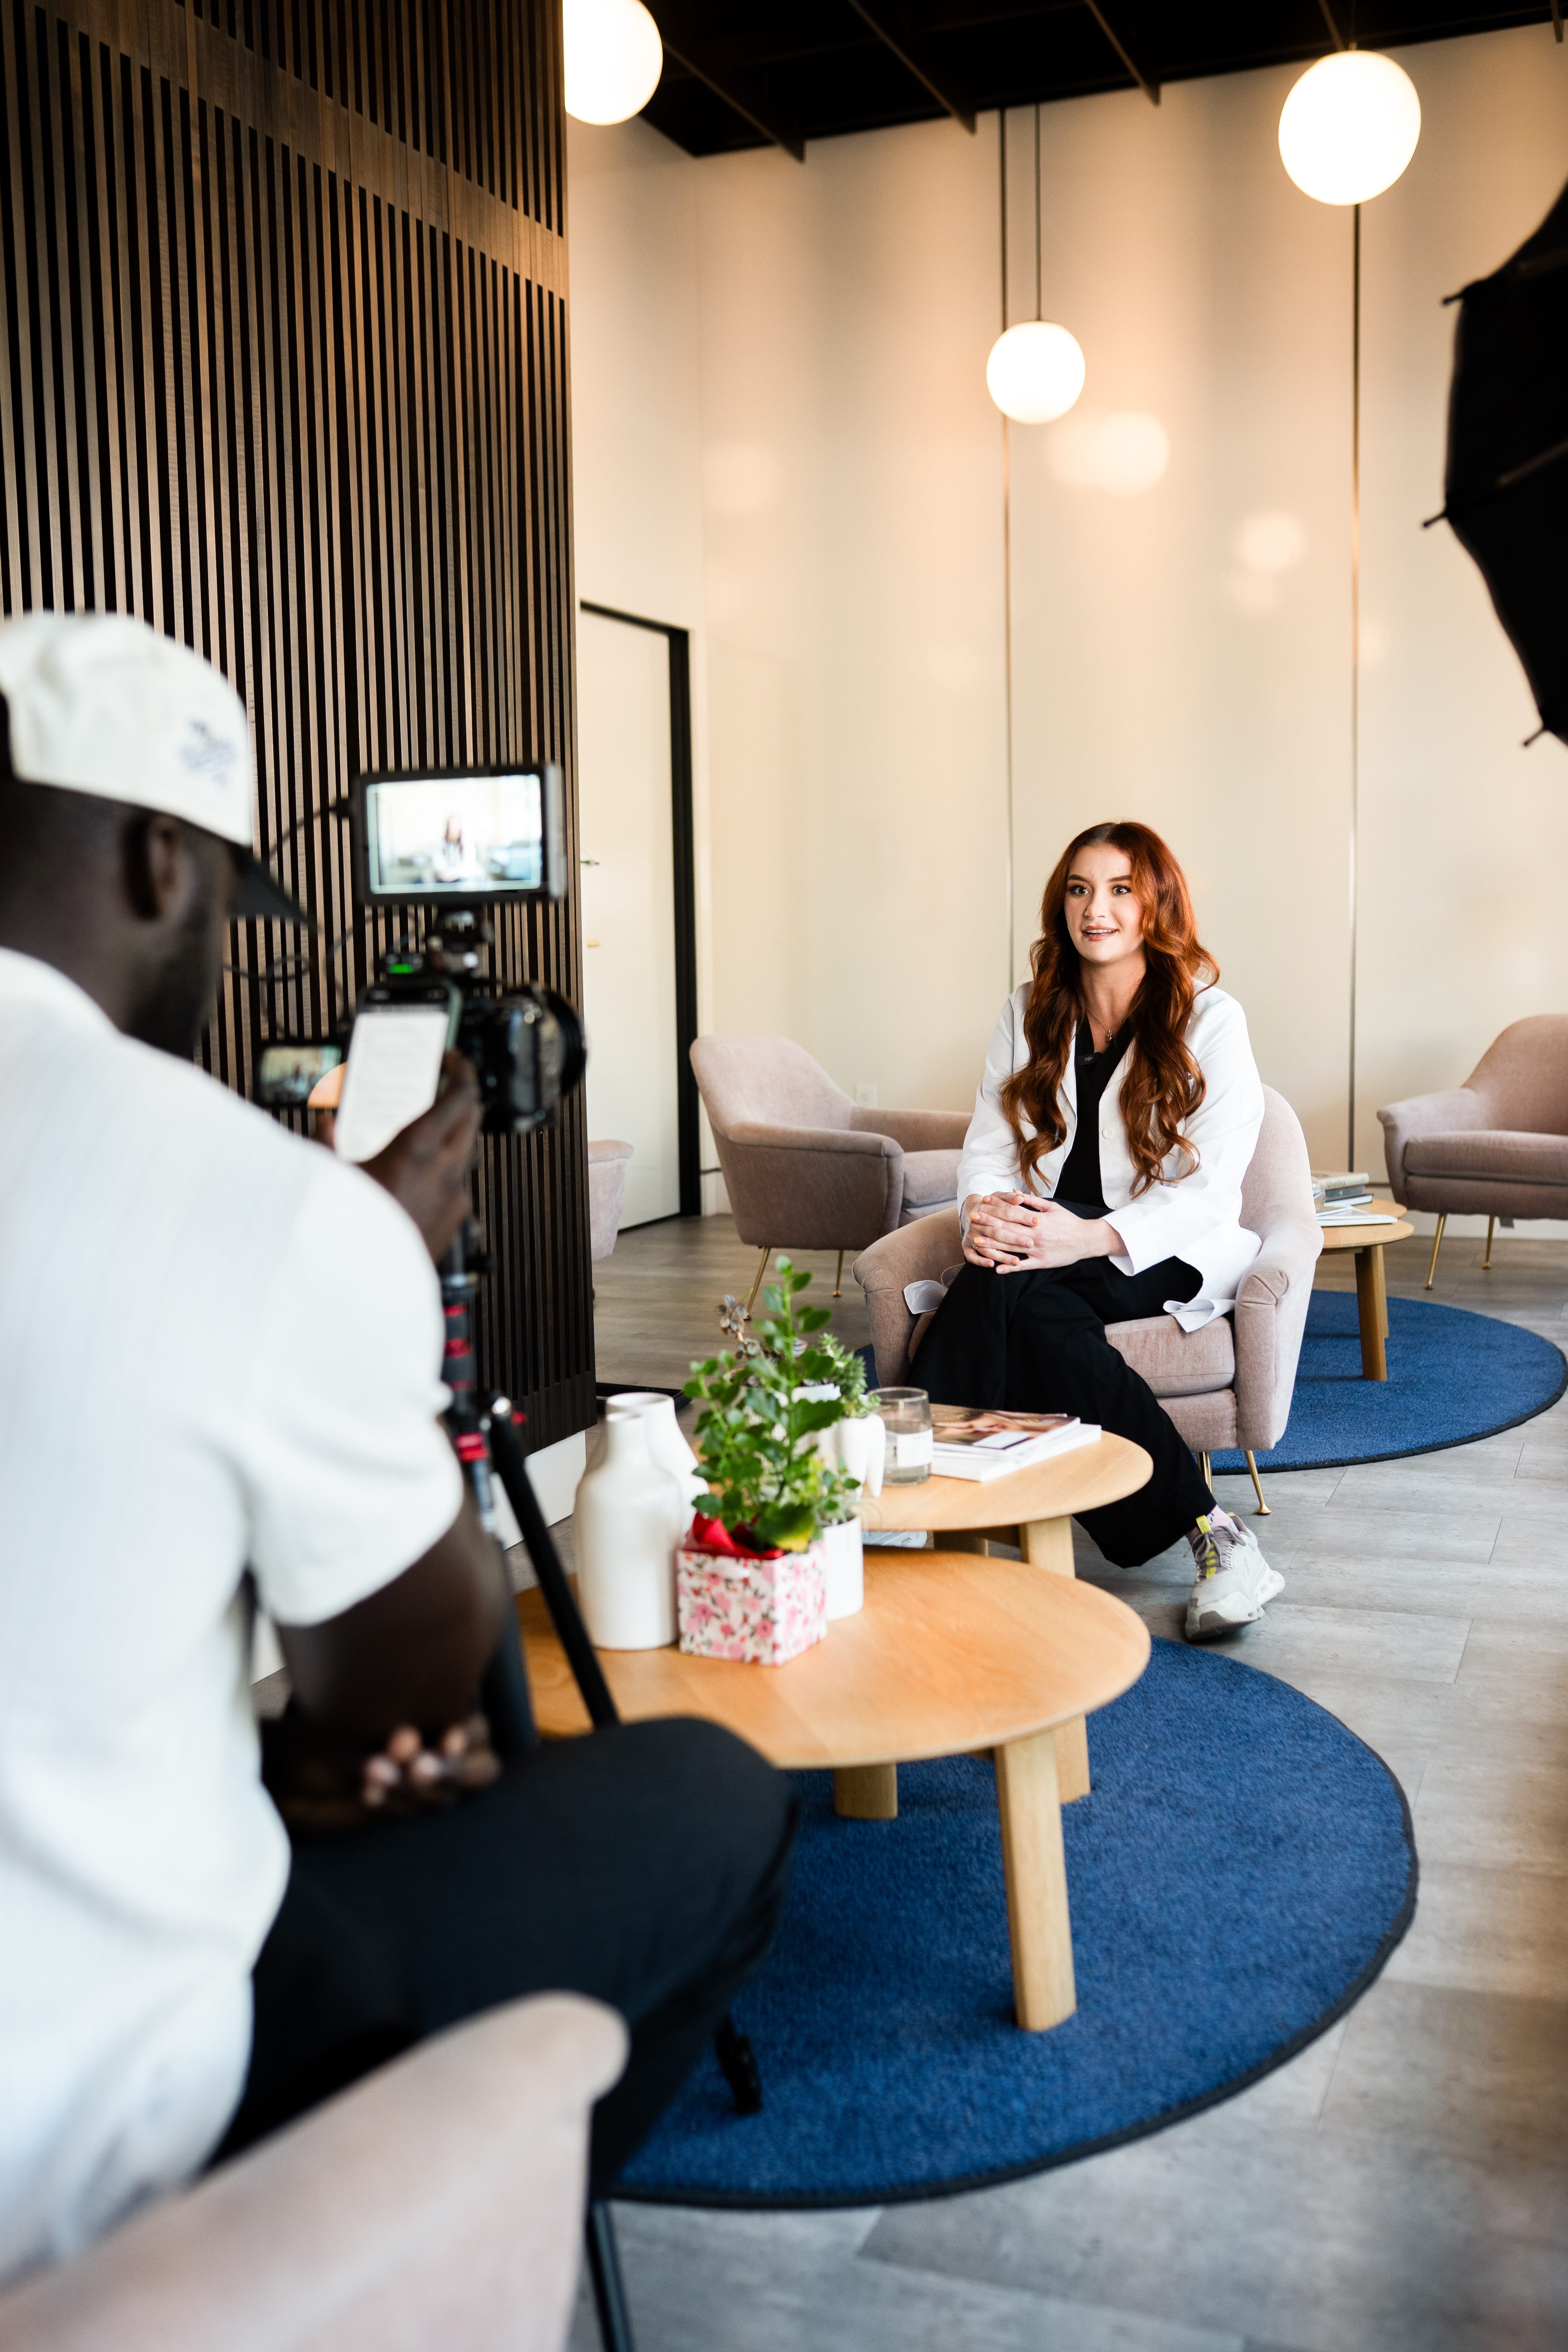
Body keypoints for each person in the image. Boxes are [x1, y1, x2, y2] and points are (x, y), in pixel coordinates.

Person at [0, 612, 794, 2283]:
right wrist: (363, 1263)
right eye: (222, 894)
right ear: (158, 857)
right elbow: (406, 1717)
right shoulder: (249, 1207)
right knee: (713, 1797)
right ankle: (411, 2268)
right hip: (93, 2116)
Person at [912, 820, 1284, 1642]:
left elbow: (1211, 1188)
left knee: (1002, 1291)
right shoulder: (1029, 1010)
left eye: (1119, 889)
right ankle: (1213, 1534)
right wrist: (985, 1215)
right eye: (1079, 889)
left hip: (1159, 1245)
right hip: (1049, 1239)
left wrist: (1084, 1239)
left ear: (1155, 905)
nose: (1096, 909)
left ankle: (914, 1510)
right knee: (1025, 1301)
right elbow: (987, 1143)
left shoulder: (1210, 1020)